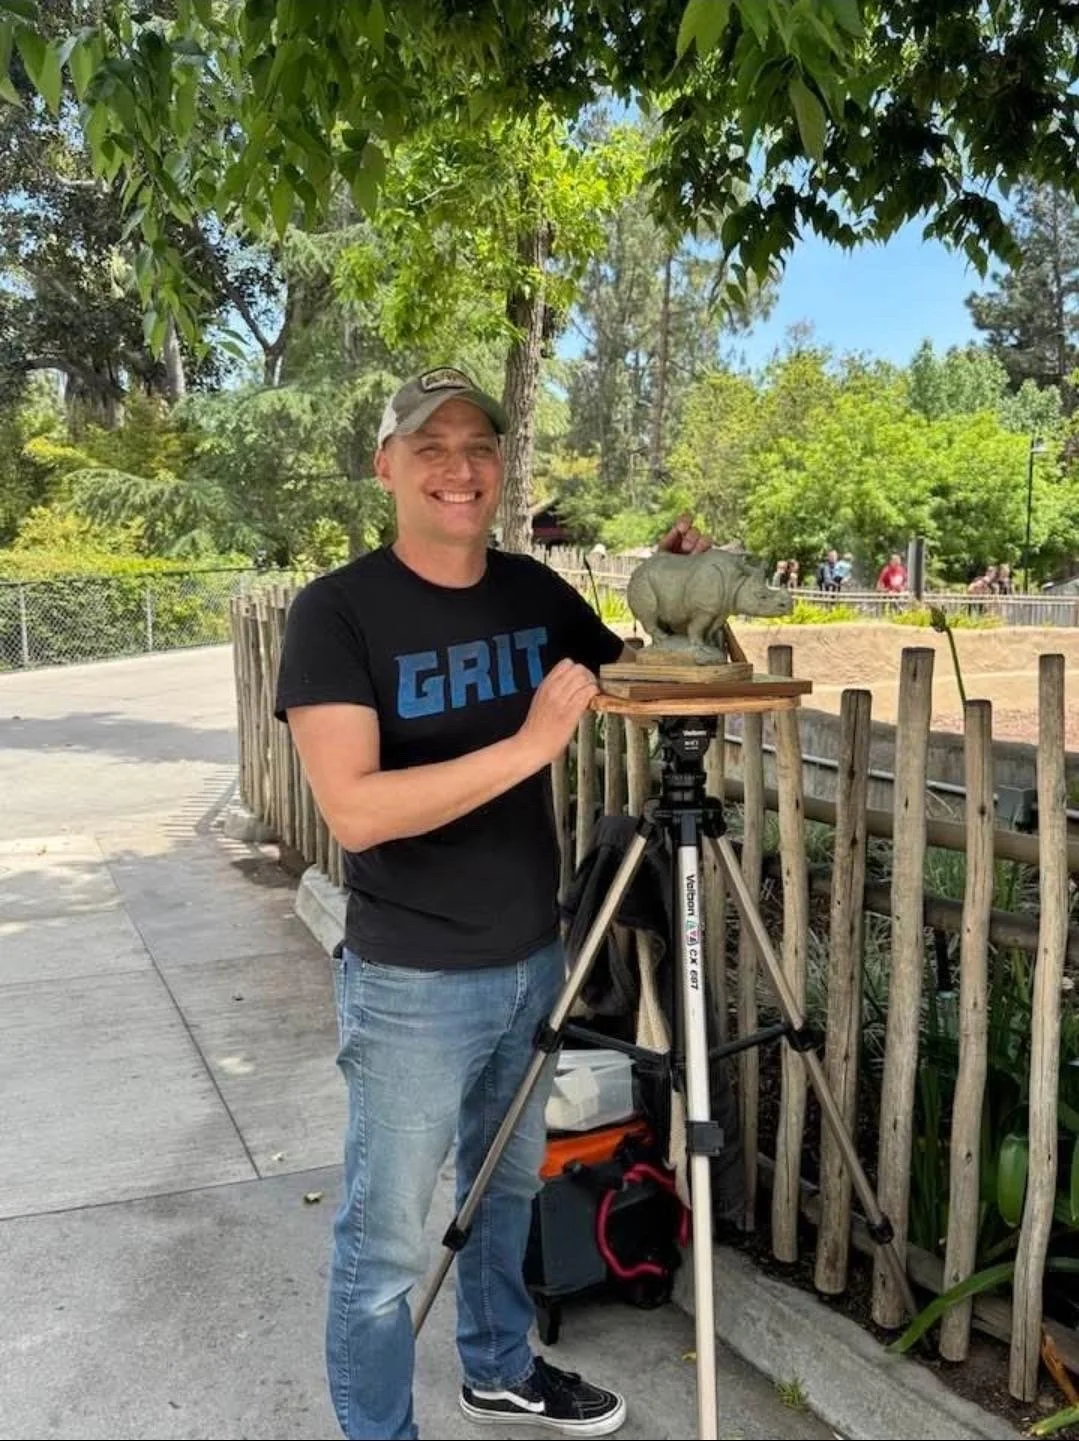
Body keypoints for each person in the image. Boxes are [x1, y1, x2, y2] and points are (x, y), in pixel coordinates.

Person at [274, 366, 711, 1441]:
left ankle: (499, 1369)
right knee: (384, 1243)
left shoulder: (534, 595)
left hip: (533, 961)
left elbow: (648, 675)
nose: (457, 468)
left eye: (476, 446)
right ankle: (380, 1430)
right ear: (386, 467)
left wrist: (682, 583)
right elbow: (358, 810)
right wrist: (526, 747)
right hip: (411, 984)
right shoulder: (337, 613)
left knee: (503, 1194)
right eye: (430, 448)